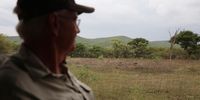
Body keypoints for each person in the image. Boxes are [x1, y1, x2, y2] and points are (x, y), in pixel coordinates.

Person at [0, 0, 95, 100]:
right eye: (74, 21)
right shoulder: (16, 88)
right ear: (54, 23)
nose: (77, 30)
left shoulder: (57, 70)